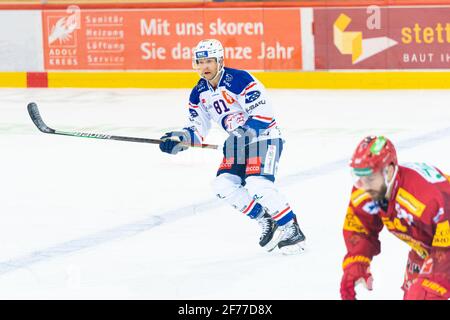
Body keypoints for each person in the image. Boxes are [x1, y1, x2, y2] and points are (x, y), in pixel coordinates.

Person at [158, 39, 306, 254]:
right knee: (223, 185)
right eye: (200, 62)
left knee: (257, 184)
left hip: (264, 138)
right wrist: (179, 139)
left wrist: (239, 135)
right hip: (238, 144)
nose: (204, 67)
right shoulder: (198, 93)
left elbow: (263, 116)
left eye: (209, 61)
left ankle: (291, 228)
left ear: (220, 61)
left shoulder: (240, 79)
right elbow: (197, 128)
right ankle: (267, 220)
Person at [340, 135, 450, 300]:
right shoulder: (368, 188)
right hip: (427, 247)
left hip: (445, 245)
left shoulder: (425, 198)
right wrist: (357, 263)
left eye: (369, 178)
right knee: (415, 293)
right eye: (358, 178)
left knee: (425, 293)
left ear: (389, 170)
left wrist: (433, 284)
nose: (363, 186)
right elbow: (359, 227)